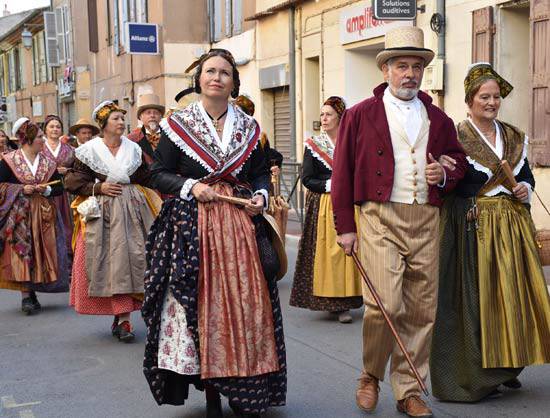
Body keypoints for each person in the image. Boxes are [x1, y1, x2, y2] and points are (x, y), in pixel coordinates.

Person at [142, 49, 286, 418]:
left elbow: (257, 172)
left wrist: (260, 194)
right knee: (201, 307)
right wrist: (191, 185)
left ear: (234, 82)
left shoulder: (249, 128)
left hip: (240, 228)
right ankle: (210, 391)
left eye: (224, 72)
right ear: (199, 79)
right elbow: (157, 174)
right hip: (193, 228)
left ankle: (245, 388)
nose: (217, 78)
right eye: (210, 71)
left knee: (247, 307)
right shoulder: (178, 126)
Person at [331, 27, 467, 417]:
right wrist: (345, 226)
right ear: (386, 70)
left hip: (426, 217)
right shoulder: (359, 115)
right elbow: (341, 173)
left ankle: (409, 389)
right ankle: (370, 375)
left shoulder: (439, 119)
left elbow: (455, 163)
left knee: (422, 309)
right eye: (401, 65)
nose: (410, 73)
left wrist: (443, 175)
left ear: (424, 70)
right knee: (384, 304)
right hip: (379, 217)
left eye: (416, 66)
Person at [430, 62, 550, 402]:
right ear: (469, 100)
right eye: (485, 96)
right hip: (473, 227)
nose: (492, 102)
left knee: (512, 299)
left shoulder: (512, 136)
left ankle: (508, 365)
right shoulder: (456, 136)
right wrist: (442, 174)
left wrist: (525, 185)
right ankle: (478, 374)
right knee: (477, 300)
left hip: (511, 228)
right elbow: (449, 183)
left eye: (496, 96)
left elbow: (526, 174)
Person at [64, 101, 160, 342]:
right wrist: (99, 186)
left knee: (132, 261)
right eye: (116, 118)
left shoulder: (134, 149)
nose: (121, 122)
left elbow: (147, 177)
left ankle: (125, 319)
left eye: (121, 118)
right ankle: (120, 317)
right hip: (102, 214)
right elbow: (72, 182)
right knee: (107, 262)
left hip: (132, 212)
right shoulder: (89, 150)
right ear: (104, 124)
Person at [290, 96, 362, 323]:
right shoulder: (314, 145)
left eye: (328, 114)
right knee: (328, 255)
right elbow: (308, 178)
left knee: (348, 253)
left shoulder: (352, 142)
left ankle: (347, 302)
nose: (323, 118)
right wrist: (332, 185)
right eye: (322, 114)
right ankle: (332, 302)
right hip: (323, 205)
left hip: (349, 204)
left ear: (340, 117)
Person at [0, 118, 69, 314]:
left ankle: (34, 290)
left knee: (41, 252)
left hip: (45, 214)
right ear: (27, 139)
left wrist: (46, 190)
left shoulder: (48, 163)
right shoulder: (9, 161)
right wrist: (21, 189)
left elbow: (59, 187)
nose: (43, 139)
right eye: (39, 137)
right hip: (19, 214)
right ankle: (25, 295)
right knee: (22, 251)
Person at [41, 115, 75, 255]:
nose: (55, 129)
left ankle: (68, 253)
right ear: (45, 130)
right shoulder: (39, 148)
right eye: (51, 126)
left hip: (66, 193)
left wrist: (67, 170)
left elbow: (78, 170)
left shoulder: (71, 149)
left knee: (68, 224)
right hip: (47, 192)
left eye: (58, 127)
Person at [127, 93, 165, 165]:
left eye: (156, 113)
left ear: (161, 117)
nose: (152, 115)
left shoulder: (170, 136)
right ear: (141, 117)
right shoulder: (132, 139)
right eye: (148, 113)